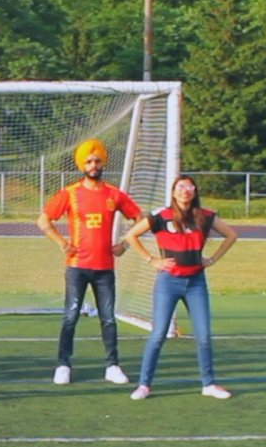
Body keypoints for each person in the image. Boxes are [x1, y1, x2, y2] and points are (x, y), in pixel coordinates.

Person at [36, 138, 141, 386]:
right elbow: (43, 220)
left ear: (103, 163)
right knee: (70, 316)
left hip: (105, 268)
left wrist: (124, 244)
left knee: (108, 318)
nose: (93, 165)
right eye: (88, 161)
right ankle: (63, 364)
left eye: (97, 161)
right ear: (81, 165)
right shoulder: (70, 194)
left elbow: (140, 218)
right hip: (77, 267)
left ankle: (112, 365)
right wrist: (62, 243)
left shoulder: (114, 194)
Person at [123, 175, 238, 400]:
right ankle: (144, 384)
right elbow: (131, 234)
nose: (185, 191)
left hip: (196, 282)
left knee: (203, 335)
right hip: (168, 282)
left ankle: (209, 383)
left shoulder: (204, 216)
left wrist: (212, 259)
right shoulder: (161, 216)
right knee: (158, 334)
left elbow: (231, 235)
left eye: (189, 187)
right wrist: (152, 260)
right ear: (174, 192)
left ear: (194, 192)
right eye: (180, 187)